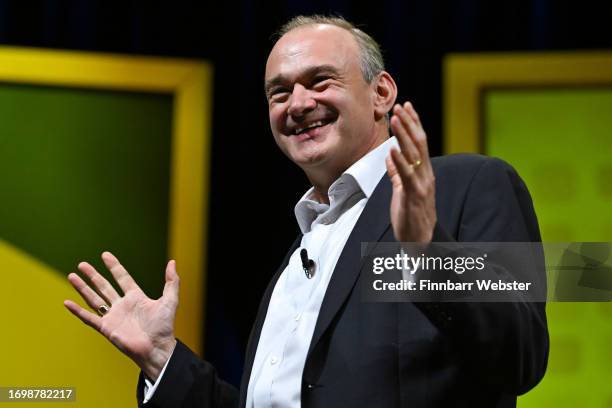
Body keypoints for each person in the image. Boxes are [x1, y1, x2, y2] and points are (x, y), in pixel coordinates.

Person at [64, 15, 548, 408]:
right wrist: (162, 360)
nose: (297, 104)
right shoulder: (297, 254)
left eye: (320, 81)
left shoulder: (470, 184)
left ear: (381, 93)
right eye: (279, 92)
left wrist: (426, 250)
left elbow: (522, 356)